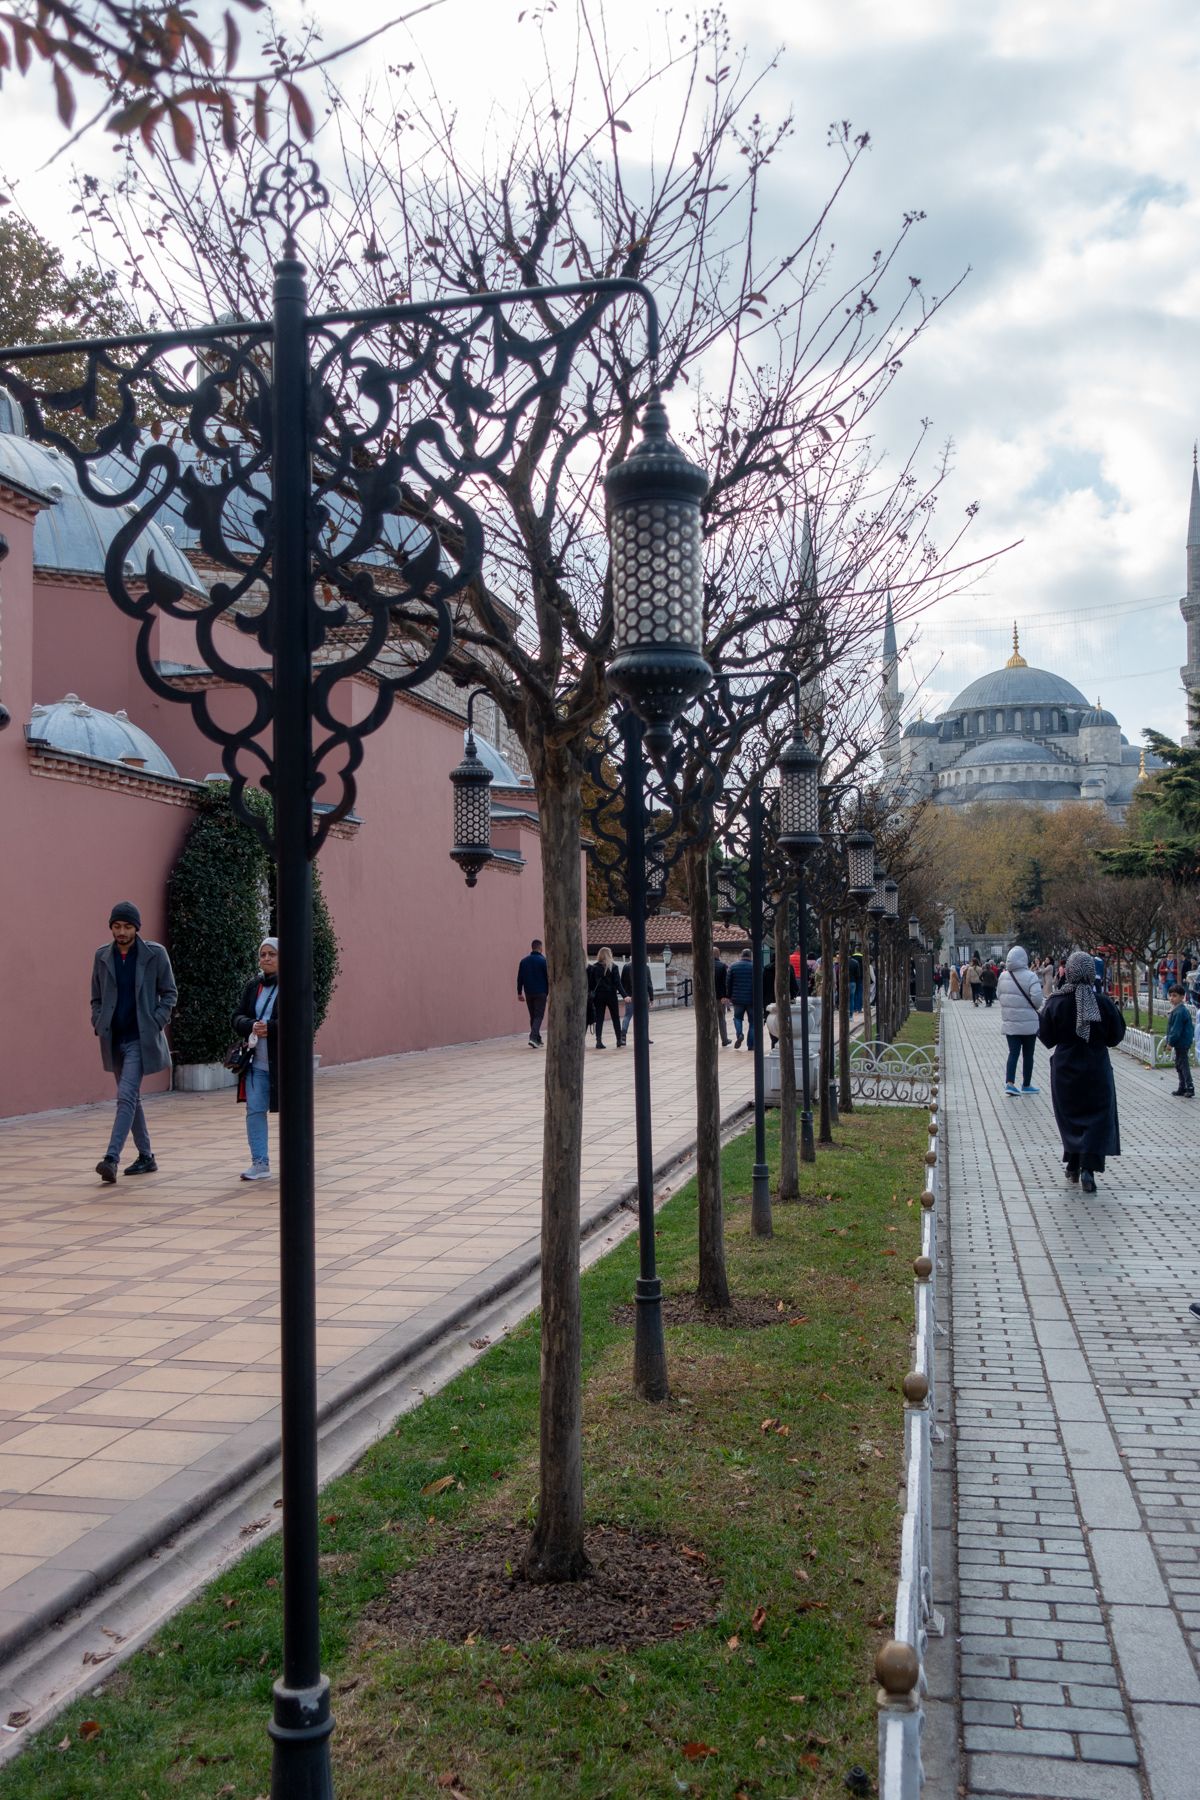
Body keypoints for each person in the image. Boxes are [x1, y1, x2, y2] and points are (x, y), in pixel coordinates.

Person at [90, 900, 178, 1183]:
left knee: (125, 1096)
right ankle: (146, 1156)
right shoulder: (102, 956)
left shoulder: (155, 954)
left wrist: (156, 1020)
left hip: (141, 1039)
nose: (121, 932)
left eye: (127, 926)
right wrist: (98, 1021)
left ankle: (111, 1158)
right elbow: (96, 997)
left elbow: (170, 993)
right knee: (132, 1098)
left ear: (136, 928)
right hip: (114, 1039)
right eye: (117, 926)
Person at [1037, 949, 1126, 1194]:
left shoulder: (1057, 1001)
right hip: (1096, 1068)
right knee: (1096, 1118)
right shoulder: (1103, 1003)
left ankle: (1074, 1164)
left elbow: (1046, 1037)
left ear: (1069, 972)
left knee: (1071, 1118)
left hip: (1066, 1069)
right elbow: (1116, 1036)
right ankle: (1087, 1168)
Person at [231, 937, 280, 1179]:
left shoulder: (295, 984)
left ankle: (297, 1161)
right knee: (255, 1111)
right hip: (256, 1063)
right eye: (263, 954)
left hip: (284, 1064)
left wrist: (272, 1027)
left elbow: (304, 1018)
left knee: (293, 1114)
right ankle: (260, 1163)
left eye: (272, 954)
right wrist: (251, 1025)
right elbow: (237, 1017)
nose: (266, 959)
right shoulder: (254, 986)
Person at [998, 945, 1044, 1095]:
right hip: (1029, 1023)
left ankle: (1009, 1083)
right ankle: (1026, 1084)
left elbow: (999, 995)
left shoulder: (1003, 976)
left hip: (1010, 1021)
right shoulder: (1031, 976)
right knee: (1028, 1054)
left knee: (1013, 1053)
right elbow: (1037, 1001)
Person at [516, 938, 549, 1048]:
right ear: (540, 948)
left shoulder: (524, 961)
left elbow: (519, 978)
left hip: (529, 992)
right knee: (538, 1016)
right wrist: (549, 992)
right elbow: (548, 978)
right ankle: (533, 1038)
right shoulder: (544, 961)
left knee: (533, 1016)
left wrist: (519, 992)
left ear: (532, 947)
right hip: (541, 992)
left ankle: (537, 1039)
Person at [1165, 984, 1195, 1098]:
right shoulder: (1176, 1009)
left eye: (1174, 996)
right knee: (1179, 1064)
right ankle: (1182, 1087)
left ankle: (1189, 1087)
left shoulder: (1180, 1011)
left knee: (1183, 1064)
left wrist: (1170, 1043)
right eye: (1170, 995)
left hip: (1182, 1041)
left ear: (1182, 997)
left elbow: (1176, 1030)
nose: (1171, 998)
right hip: (1181, 1041)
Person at [590, 946, 623, 1048]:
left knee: (599, 1019)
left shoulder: (594, 967)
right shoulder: (613, 967)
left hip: (598, 996)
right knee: (615, 1018)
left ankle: (598, 1041)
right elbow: (618, 984)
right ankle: (619, 1040)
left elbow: (591, 984)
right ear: (609, 955)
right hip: (611, 995)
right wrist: (625, 995)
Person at [620, 955, 654, 1046]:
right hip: (642, 996)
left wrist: (625, 995)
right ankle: (644, 1037)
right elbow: (649, 983)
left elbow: (622, 982)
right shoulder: (645, 967)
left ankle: (623, 1037)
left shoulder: (626, 967)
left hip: (630, 996)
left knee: (627, 1016)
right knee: (644, 1017)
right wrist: (651, 998)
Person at [727, 947, 755, 1048]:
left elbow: (728, 982)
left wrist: (729, 996)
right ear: (750, 956)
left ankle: (739, 1034)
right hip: (752, 999)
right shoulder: (755, 966)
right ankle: (750, 1044)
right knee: (753, 1022)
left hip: (737, 999)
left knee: (737, 1018)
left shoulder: (733, 967)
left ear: (741, 955)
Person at [713, 949, 731, 1046]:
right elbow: (725, 983)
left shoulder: (704, 966)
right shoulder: (722, 966)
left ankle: (711, 1039)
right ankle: (724, 1039)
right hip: (720, 997)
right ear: (718, 954)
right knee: (721, 1018)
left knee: (709, 1019)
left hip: (707, 998)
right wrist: (725, 996)